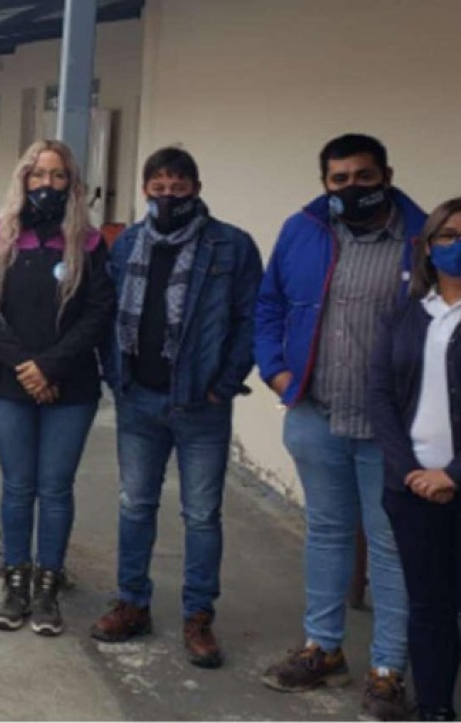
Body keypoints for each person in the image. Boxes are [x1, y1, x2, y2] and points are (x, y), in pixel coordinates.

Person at [256, 134, 425, 720]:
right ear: (325, 182)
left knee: (391, 547)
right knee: (326, 534)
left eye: (364, 175)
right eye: (339, 179)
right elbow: (269, 303)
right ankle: (323, 648)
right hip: (317, 414)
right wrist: (277, 374)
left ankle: (387, 671)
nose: (352, 187)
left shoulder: (422, 239)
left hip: (393, 430)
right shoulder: (303, 231)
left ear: (387, 173)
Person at [88, 148, 262, 668]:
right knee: (135, 505)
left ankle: (198, 616)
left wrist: (223, 384)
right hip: (138, 398)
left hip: (200, 406)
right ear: (145, 190)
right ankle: (133, 602)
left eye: (178, 187)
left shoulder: (230, 245)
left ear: (197, 187)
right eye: (159, 187)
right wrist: (114, 375)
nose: (168, 196)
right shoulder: (129, 244)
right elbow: (107, 310)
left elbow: (250, 319)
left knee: (202, 514)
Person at [0, 139, 115, 637]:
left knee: (54, 488)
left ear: (72, 183)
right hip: (8, 384)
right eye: (37, 176)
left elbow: (99, 312)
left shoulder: (90, 244)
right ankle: (15, 583)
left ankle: (48, 587)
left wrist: (50, 367)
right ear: (23, 180)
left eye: (56, 176)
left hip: (70, 387)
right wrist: (26, 369)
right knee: (17, 487)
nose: (46, 185)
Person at [370, 198, 461, 723]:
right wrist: (409, 471)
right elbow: (380, 395)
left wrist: (452, 474)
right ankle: (435, 706)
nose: (455, 245)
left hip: (450, 479)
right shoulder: (407, 315)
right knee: (429, 607)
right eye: (445, 236)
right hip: (412, 490)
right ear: (427, 247)